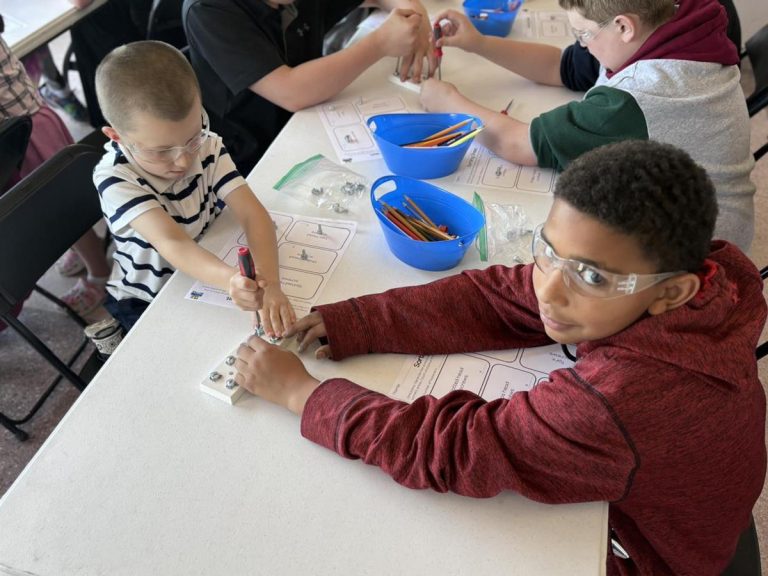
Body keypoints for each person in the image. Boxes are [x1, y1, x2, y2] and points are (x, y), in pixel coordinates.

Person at [234, 140, 767, 575]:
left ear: (671, 293)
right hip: (684, 515)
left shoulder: (620, 400)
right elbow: (496, 295)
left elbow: (456, 447)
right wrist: (358, 321)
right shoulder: (706, 287)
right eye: (548, 252)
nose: (549, 291)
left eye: (592, 276)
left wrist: (302, 394)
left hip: (654, 556)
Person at [419, 0, 755, 253]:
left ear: (623, 26)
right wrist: (479, 42)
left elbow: (519, 143)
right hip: (703, 212)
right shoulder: (670, 19)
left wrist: (447, 101)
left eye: (583, 34)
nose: (582, 45)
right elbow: (562, 67)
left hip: (695, 252)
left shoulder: (635, 98)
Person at [93, 40, 293, 334]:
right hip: (149, 297)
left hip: (205, 262)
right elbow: (173, 244)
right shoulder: (115, 179)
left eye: (192, 137)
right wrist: (230, 281)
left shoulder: (206, 144)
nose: (183, 159)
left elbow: (252, 214)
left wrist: (271, 284)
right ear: (117, 136)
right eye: (161, 151)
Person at [182, 0, 437, 175]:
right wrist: (380, 43)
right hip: (248, 155)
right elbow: (290, 92)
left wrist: (414, 13)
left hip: (308, 120)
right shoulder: (208, 10)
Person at [0, 17, 111, 318]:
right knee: (47, 206)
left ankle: (99, 272)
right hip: (18, 124)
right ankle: (82, 247)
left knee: (59, 207)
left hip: (22, 125)